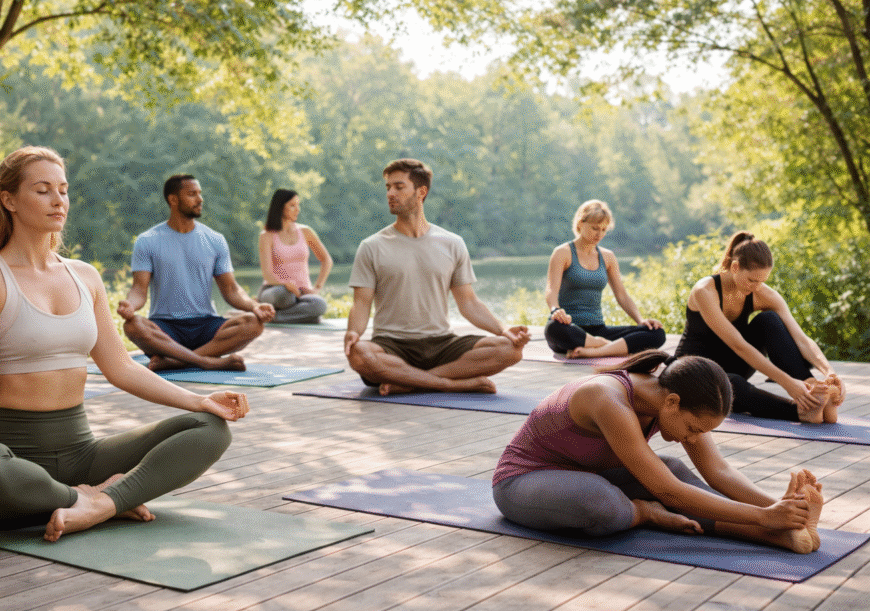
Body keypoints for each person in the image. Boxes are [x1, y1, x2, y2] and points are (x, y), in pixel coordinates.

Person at [0, 147, 249, 542]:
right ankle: (92, 498)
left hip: (82, 455)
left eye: (63, 190)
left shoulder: (85, 277)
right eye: (42, 190)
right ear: (9, 200)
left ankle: (100, 504)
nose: (58, 200)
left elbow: (120, 367)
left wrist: (199, 400)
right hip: (11, 457)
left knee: (210, 428)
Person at [493, 350, 824, 554]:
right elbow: (669, 492)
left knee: (675, 470)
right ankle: (644, 513)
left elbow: (719, 472)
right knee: (601, 502)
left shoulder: (675, 399)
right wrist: (762, 515)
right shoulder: (607, 398)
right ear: (673, 403)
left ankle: (775, 535)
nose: (693, 438)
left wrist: (777, 507)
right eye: (693, 428)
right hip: (522, 482)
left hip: (592, 473)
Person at [344, 158, 530, 395]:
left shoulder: (452, 243)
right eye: (388, 187)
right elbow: (361, 303)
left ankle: (409, 382)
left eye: (399, 187)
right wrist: (354, 332)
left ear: (421, 192)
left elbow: (469, 302)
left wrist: (503, 331)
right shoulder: (372, 246)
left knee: (510, 350)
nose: (390, 193)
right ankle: (451, 383)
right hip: (392, 345)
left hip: (442, 344)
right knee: (360, 354)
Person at [675, 231, 845, 423]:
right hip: (694, 372)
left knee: (769, 320)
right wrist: (788, 383)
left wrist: (830, 373)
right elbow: (739, 345)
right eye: (752, 280)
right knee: (732, 385)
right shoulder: (705, 291)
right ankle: (801, 410)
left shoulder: (762, 294)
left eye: (762, 281)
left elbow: (801, 339)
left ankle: (812, 389)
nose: (756, 287)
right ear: (735, 267)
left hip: (731, 364)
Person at [118, 174, 276, 371]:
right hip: (166, 330)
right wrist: (130, 305)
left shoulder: (215, 240)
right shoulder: (147, 241)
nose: (200, 199)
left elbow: (231, 290)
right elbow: (139, 289)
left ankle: (176, 361)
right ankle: (207, 361)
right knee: (132, 325)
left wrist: (255, 306)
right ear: (173, 199)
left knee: (254, 323)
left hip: (206, 326)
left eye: (200, 193)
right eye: (192, 194)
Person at [544, 199, 665, 358]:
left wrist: (640, 320)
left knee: (656, 333)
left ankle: (595, 350)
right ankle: (605, 345)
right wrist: (555, 309)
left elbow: (621, 295)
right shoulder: (563, 252)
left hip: (598, 329)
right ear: (580, 223)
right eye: (595, 228)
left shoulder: (608, 257)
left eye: (603, 230)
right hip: (569, 328)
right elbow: (551, 290)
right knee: (553, 329)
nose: (599, 234)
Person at [257, 188, 334, 324]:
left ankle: (275, 317)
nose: (298, 209)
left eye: (298, 205)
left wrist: (316, 288)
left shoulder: (305, 231)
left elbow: (326, 260)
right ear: (280, 207)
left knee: (320, 304)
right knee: (286, 295)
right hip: (275, 291)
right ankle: (305, 316)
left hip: (302, 293)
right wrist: (287, 285)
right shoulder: (267, 236)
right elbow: (267, 274)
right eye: (292, 205)